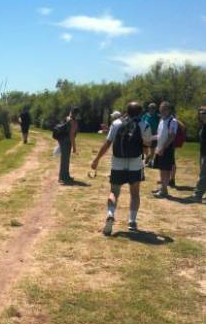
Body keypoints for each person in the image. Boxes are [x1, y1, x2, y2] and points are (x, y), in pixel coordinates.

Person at [91, 101, 151, 236]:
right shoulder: (144, 125)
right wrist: (148, 155)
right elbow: (146, 145)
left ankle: (110, 214)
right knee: (135, 193)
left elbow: (107, 143)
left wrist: (96, 160)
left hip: (117, 162)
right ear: (140, 112)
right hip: (135, 163)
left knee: (114, 191)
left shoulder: (116, 124)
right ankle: (132, 221)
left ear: (126, 111)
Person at [153, 102, 178, 198]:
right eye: (161, 109)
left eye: (164, 109)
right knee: (161, 169)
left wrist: (163, 148)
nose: (161, 111)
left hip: (166, 148)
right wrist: (150, 138)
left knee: (166, 169)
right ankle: (163, 188)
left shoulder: (173, 121)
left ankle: (164, 190)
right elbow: (160, 135)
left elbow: (171, 137)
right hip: (160, 147)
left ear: (168, 110)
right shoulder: (162, 120)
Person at [58, 107, 80, 185]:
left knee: (66, 160)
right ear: (76, 114)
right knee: (64, 160)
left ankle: (66, 176)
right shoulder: (72, 121)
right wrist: (74, 148)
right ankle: (62, 178)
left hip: (63, 141)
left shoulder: (68, 118)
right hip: (66, 142)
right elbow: (72, 135)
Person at [194, 106, 206, 202]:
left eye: (204, 113)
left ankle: (197, 195)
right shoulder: (203, 125)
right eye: (201, 113)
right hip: (203, 152)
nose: (202, 115)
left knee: (203, 174)